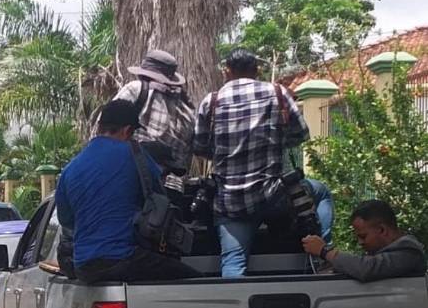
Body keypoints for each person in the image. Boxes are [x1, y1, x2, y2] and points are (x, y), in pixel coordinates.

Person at [192, 48, 335, 277]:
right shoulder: (277, 92)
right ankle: (322, 258)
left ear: (226, 72)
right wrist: (275, 141)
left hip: (230, 202)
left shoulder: (212, 101)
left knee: (233, 261)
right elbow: (301, 134)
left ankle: (234, 304)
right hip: (274, 198)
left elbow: (199, 147)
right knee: (321, 192)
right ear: (257, 70)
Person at [56, 99, 200, 283]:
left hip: (84, 266)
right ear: (127, 130)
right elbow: (157, 200)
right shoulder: (134, 154)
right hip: (123, 258)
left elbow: (67, 220)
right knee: (195, 281)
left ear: (99, 127)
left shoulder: (70, 168)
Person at [302, 200, 426, 282]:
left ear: (382, 230)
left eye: (363, 236)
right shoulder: (387, 252)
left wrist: (325, 251)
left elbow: (367, 268)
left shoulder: (409, 252)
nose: (361, 242)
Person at [114, 49, 196, 172]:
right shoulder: (188, 111)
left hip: (134, 174)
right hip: (173, 185)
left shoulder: (136, 89)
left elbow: (106, 126)